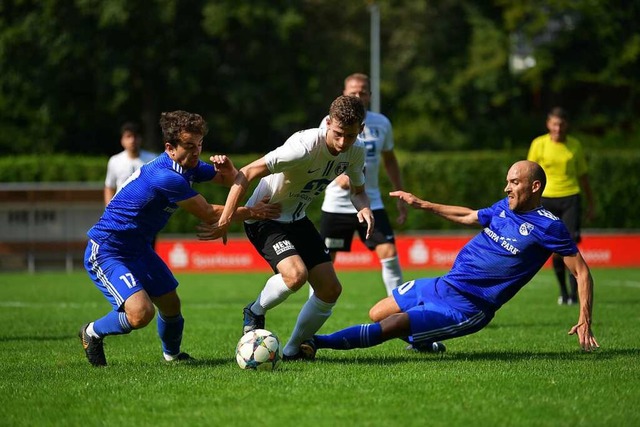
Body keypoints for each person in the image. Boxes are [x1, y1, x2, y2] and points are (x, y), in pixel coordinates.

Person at [302, 160, 599, 358]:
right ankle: (425, 340)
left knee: (392, 326)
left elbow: (582, 273)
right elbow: (469, 215)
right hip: (444, 284)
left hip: (469, 306)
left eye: (514, 182)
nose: (507, 188)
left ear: (534, 187)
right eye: (507, 182)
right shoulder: (504, 207)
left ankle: (316, 343)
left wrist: (584, 318)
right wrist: (423, 204)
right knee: (377, 312)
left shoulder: (549, 226)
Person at [78, 110, 280, 366]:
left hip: (138, 248)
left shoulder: (190, 165)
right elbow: (208, 213)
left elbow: (231, 181)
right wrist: (253, 212)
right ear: (170, 148)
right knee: (141, 314)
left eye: (199, 145)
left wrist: (229, 170)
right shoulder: (166, 176)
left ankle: (172, 356)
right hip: (108, 249)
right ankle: (92, 332)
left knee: (171, 304)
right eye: (189, 146)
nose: (196, 152)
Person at [198, 95, 374, 360]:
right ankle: (255, 311)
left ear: (360, 129)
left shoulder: (356, 151)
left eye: (350, 136)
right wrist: (226, 220)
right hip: (265, 218)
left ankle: (293, 350)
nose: (342, 143)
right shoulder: (303, 147)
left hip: (297, 219)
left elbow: (358, 191)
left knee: (330, 290)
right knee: (296, 275)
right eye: (338, 134)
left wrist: (364, 207)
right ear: (328, 123)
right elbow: (246, 172)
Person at [319, 73, 407, 296]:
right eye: (353, 92)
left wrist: (401, 192)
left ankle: (398, 307)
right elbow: (319, 157)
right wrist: (337, 176)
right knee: (324, 262)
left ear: (370, 95)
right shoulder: (329, 122)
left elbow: (389, 159)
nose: (358, 96)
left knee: (388, 251)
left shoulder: (382, 123)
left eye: (362, 92)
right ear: (344, 93)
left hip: (371, 201)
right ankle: (315, 309)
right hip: (336, 204)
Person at [527, 107, 595, 305]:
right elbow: (528, 174)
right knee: (555, 249)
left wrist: (591, 203)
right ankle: (563, 292)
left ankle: (575, 295)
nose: (558, 128)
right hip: (546, 199)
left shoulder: (575, 146)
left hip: (571, 197)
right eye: (554, 124)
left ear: (566, 125)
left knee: (570, 246)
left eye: (561, 124)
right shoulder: (538, 144)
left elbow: (583, 176)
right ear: (549, 124)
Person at [104, 122, 157, 206]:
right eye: (128, 136)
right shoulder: (115, 160)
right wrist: (109, 211)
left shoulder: (153, 159)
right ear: (122, 140)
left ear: (140, 139)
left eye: (135, 136)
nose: (132, 140)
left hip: (146, 211)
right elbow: (110, 187)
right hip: (121, 211)